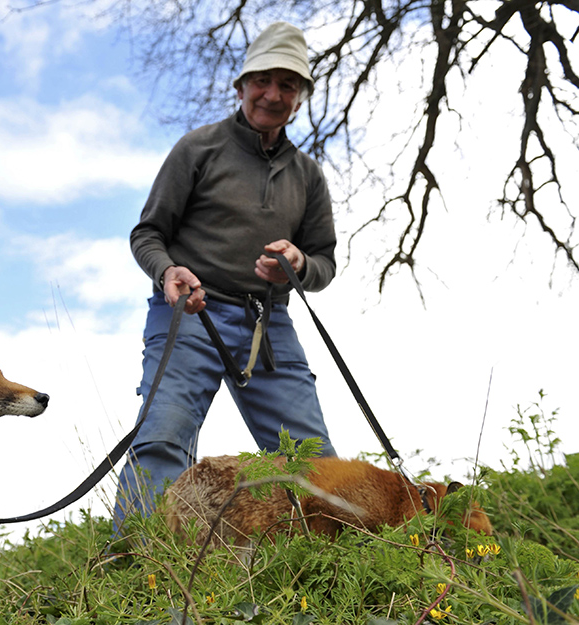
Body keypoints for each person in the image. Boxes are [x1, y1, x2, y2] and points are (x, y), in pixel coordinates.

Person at [113, 21, 338, 530]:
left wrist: (299, 265)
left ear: (299, 98)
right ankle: (132, 561)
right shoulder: (199, 149)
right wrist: (168, 271)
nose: (273, 94)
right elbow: (147, 233)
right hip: (190, 314)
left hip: (269, 326)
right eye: (263, 81)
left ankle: (328, 563)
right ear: (241, 86)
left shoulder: (308, 175)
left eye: (288, 85)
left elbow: (324, 262)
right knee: (163, 437)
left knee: (314, 458)